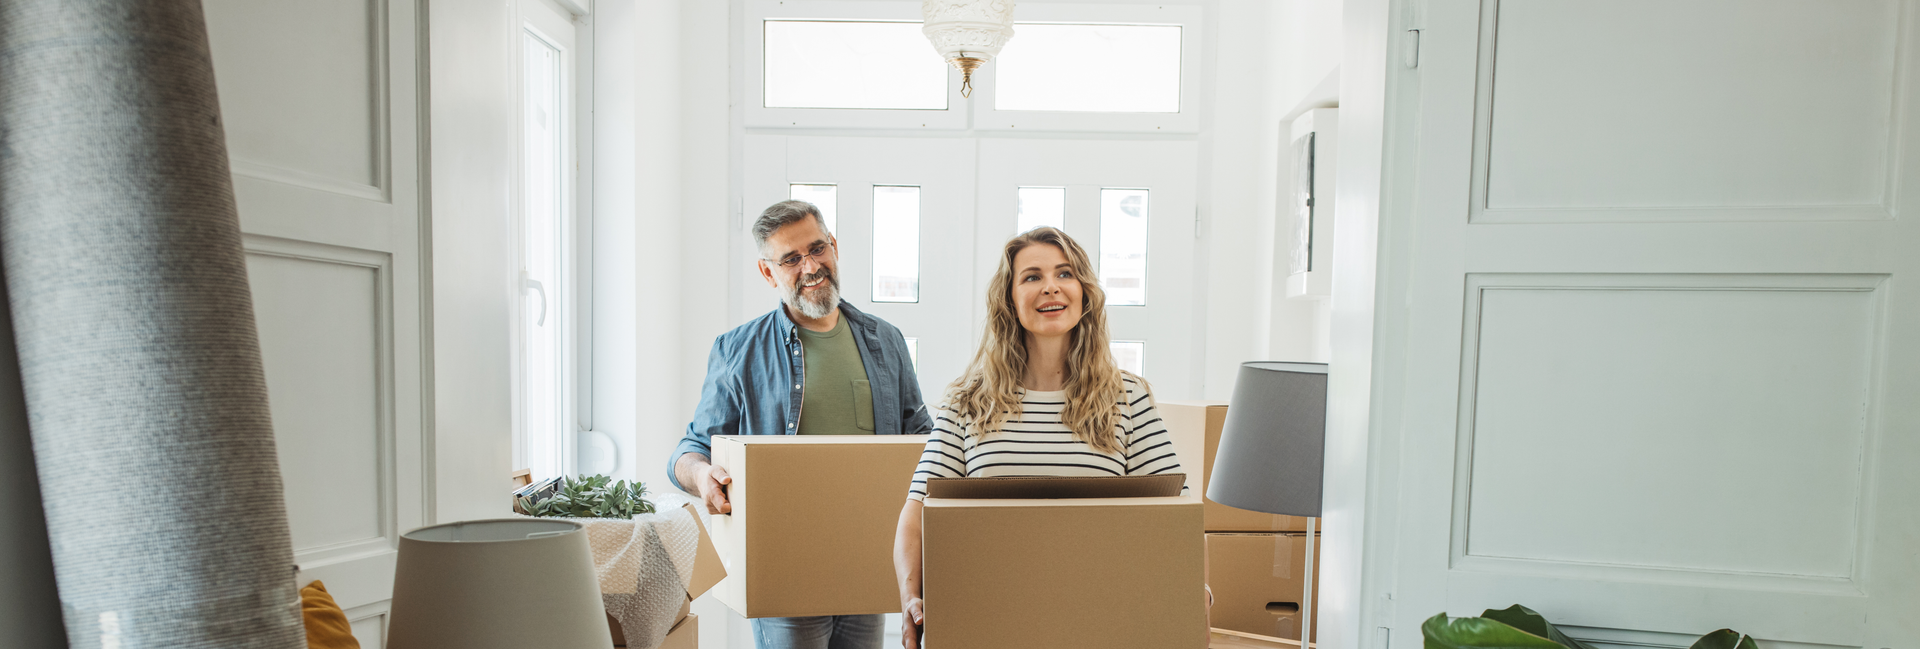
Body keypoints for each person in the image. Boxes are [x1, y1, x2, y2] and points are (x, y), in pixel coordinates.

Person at [890, 227, 1188, 649]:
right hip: (985, 618)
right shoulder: (968, 399)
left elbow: (1179, 516)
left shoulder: (1127, 397)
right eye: (1031, 277)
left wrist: (1199, 592)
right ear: (1009, 299)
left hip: (1102, 622)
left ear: (1084, 293)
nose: (1050, 286)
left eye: (1064, 274)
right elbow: (917, 510)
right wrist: (910, 597)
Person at [669, 200, 932, 649]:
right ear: (768, 273)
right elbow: (690, 450)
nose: (811, 267)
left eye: (817, 249)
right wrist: (703, 476)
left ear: (834, 246)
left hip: (868, 562)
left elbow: (923, 438)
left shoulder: (884, 340)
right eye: (791, 259)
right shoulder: (738, 350)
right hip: (786, 569)